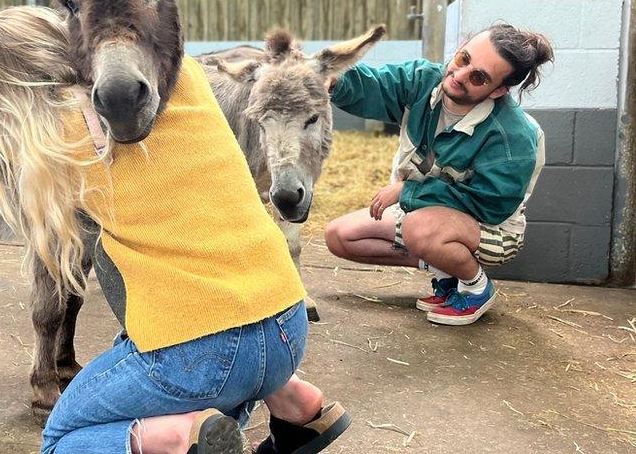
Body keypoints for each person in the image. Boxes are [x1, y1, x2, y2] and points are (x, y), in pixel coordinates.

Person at [40, 55, 351, 454]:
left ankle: (171, 438)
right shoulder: (187, 75)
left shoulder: (52, 122)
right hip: (287, 325)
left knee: (60, 439)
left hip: (199, 351)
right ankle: (290, 401)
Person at [324, 23, 552, 326]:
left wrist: (407, 192)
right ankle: (445, 270)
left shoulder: (512, 136)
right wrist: (333, 78)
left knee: (419, 228)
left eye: (478, 77)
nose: (458, 76)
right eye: (463, 59)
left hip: (493, 231)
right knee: (339, 237)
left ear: (498, 90)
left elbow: (490, 205)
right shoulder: (423, 82)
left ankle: (475, 287)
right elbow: (374, 86)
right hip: (426, 214)